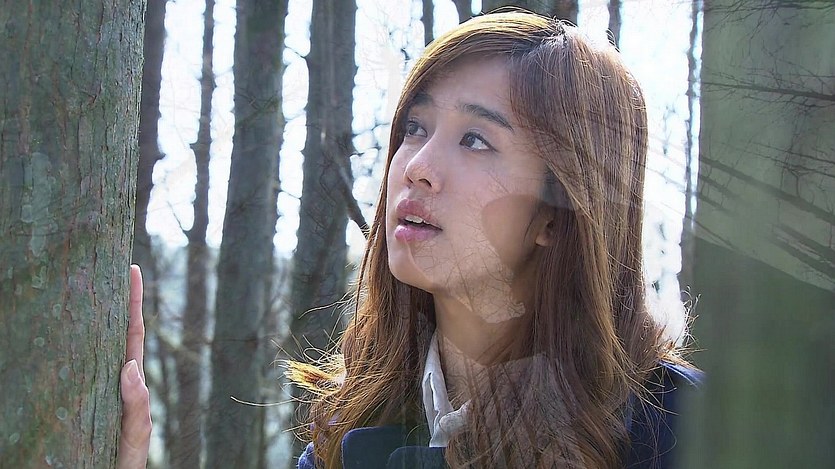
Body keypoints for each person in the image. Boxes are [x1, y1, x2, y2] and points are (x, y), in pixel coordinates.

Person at [119, 11, 700, 469]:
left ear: (559, 212)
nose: (416, 166)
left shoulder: (685, 433)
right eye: (416, 128)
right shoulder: (351, 434)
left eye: (475, 140)